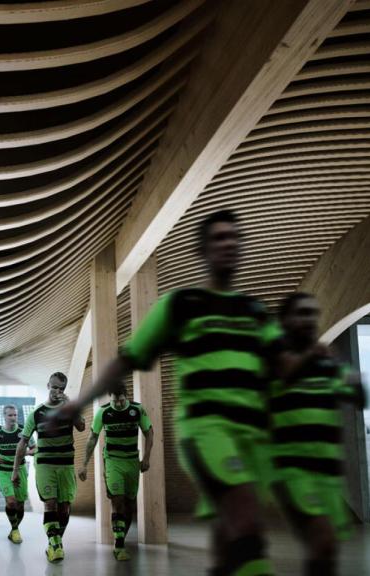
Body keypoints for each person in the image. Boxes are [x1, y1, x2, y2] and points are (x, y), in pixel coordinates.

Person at [57, 210, 284, 576]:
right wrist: (80, 403)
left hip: (253, 436)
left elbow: (282, 365)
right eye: (218, 238)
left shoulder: (255, 313)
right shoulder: (181, 307)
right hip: (209, 431)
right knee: (246, 523)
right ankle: (118, 542)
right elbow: (125, 360)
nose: (228, 244)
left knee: (233, 533)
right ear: (204, 250)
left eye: (233, 238)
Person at [271, 292, 368, 576]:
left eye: (313, 313)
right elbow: (282, 374)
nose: (309, 319)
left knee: (325, 550)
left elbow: (358, 399)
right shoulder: (274, 356)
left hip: (327, 473)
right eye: (301, 313)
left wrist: (355, 381)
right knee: (321, 538)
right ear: (286, 320)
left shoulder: (326, 363)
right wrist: (312, 354)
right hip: (293, 470)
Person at [13, 372, 85, 562]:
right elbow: (23, 443)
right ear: (48, 386)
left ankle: (55, 541)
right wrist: (15, 470)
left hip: (66, 465)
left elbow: (82, 427)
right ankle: (55, 544)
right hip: (45, 464)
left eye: (61, 388)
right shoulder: (37, 413)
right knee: (50, 504)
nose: (57, 391)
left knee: (65, 508)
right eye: (54, 387)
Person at [78, 383, 154, 561]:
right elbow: (92, 438)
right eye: (114, 401)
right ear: (109, 398)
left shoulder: (137, 410)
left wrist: (147, 458)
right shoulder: (103, 412)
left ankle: (121, 538)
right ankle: (119, 545)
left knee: (129, 505)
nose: (118, 404)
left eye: (121, 400)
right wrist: (84, 464)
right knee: (117, 501)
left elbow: (149, 433)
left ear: (126, 396)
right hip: (112, 461)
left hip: (132, 461)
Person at [0, 405, 35, 544]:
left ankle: (15, 528)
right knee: (11, 501)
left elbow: (35, 448)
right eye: (10, 415)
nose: (13, 418)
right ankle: (15, 529)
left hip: (20, 470)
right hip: (3, 471)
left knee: (20, 505)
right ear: (4, 416)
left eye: (15, 415)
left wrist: (24, 452)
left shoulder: (23, 432)